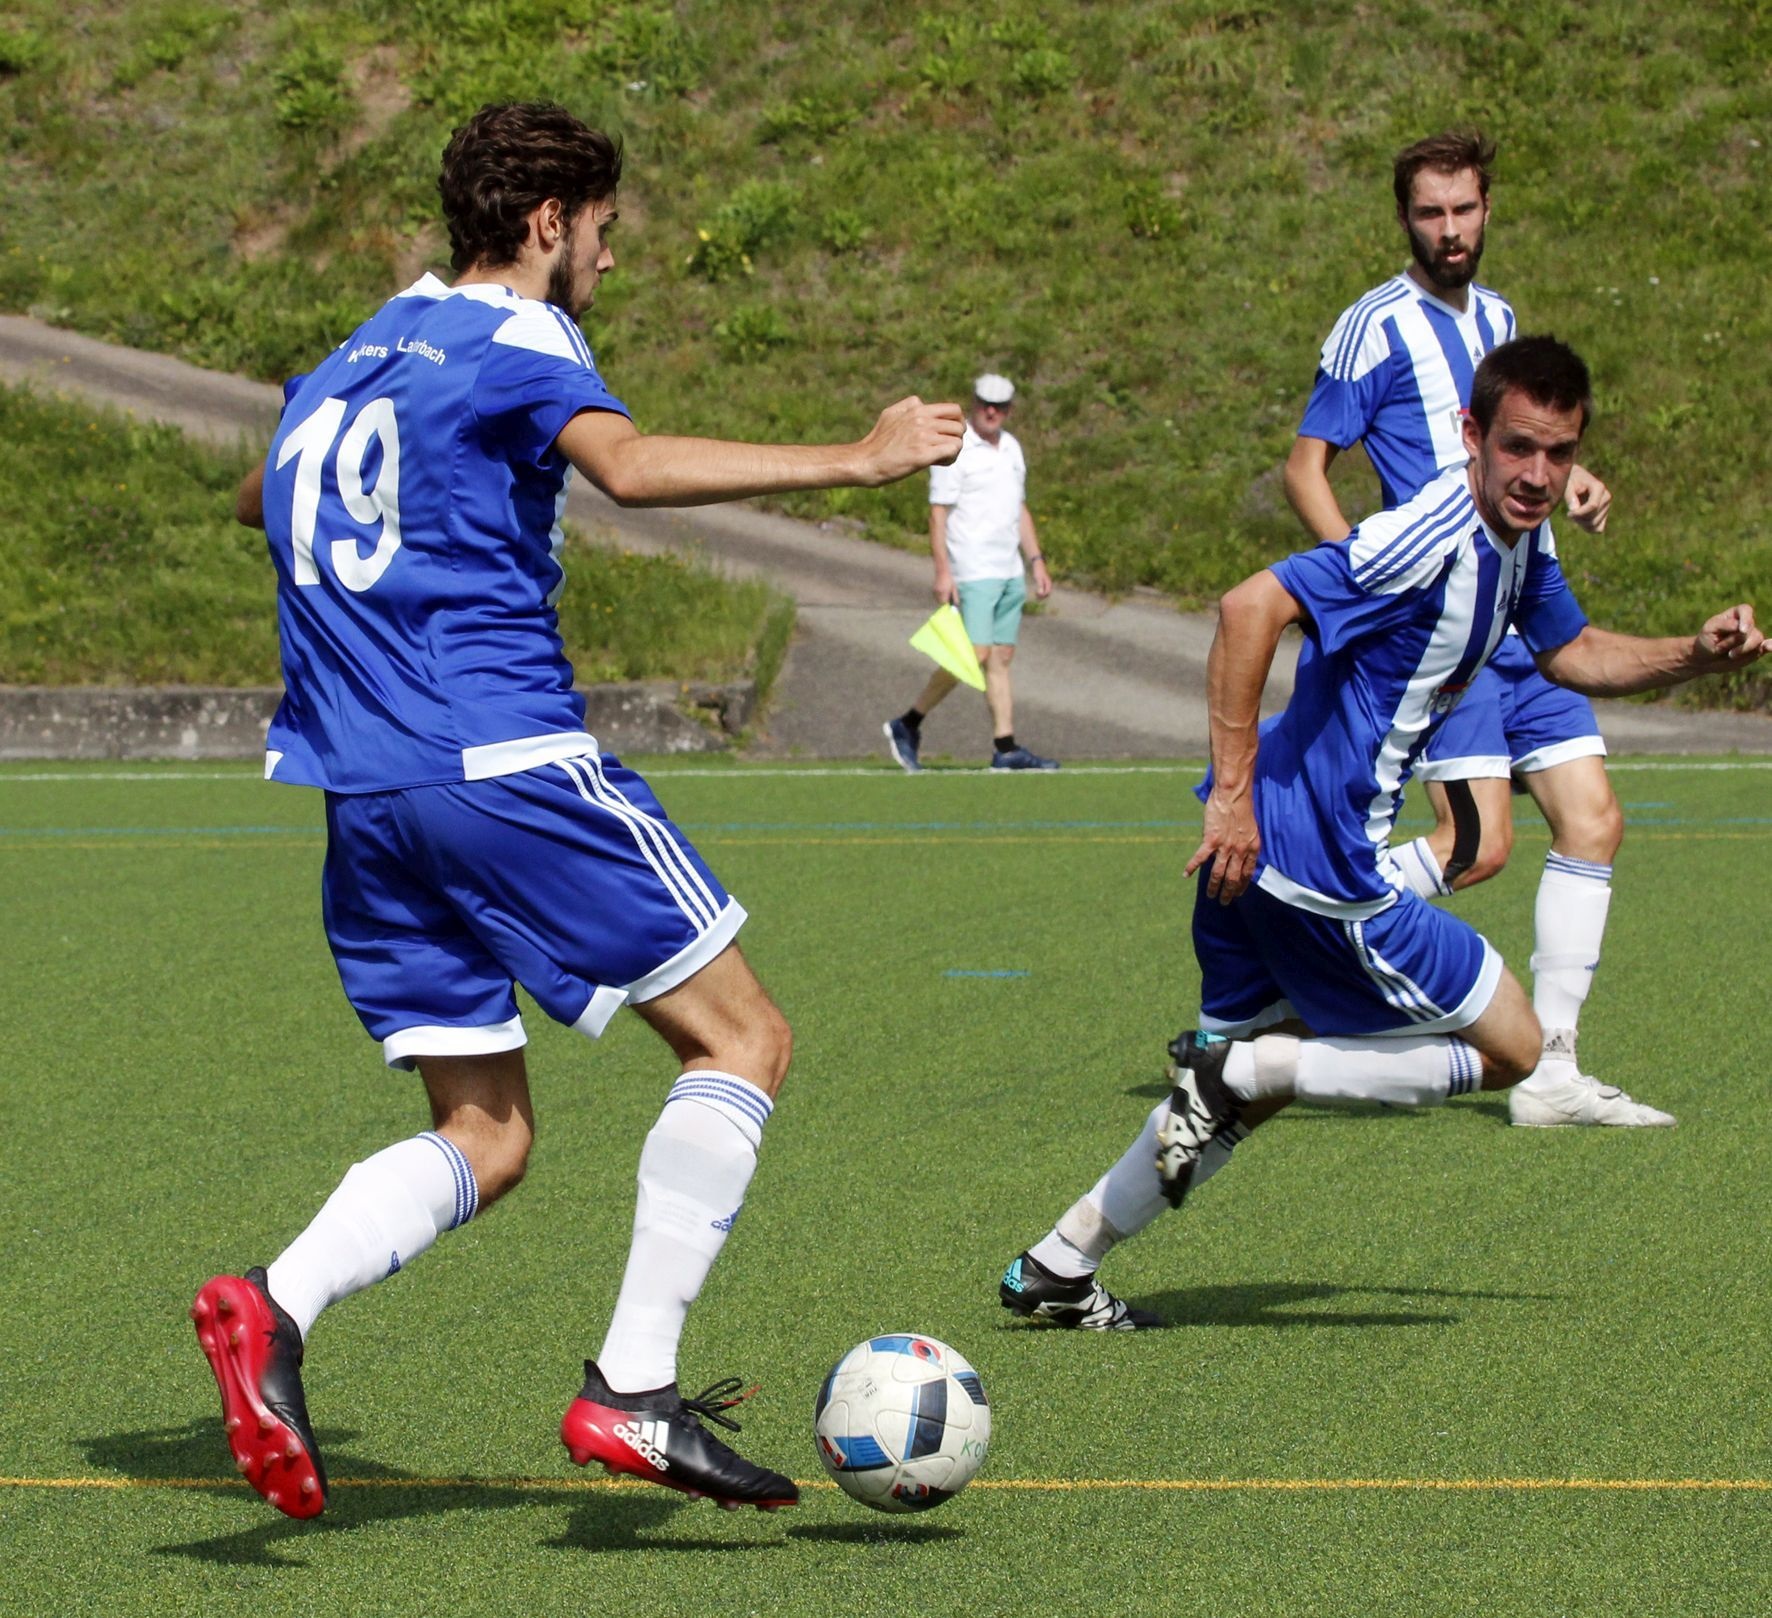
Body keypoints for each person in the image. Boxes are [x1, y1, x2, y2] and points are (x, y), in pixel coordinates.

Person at [190, 101, 963, 1518]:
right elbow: (630, 464)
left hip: (359, 797)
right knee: (744, 1035)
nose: (610, 259)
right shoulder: (525, 335)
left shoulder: (356, 353)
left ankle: (273, 1304)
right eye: (605, 231)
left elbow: (261, 493)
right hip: (503, 767)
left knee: (488, 1129)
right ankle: (634, 1387)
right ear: (548, 224)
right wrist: (857, 462)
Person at [999, 337, 1763, 1330]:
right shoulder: (1430, 535)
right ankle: (1257, 1063)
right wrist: (1227, 793)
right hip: (1315, 866)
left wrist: (1690, 657)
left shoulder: (1518, 540)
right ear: (1470, 436)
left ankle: (1060, 1264)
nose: (1537, 474)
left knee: (1228, 1102)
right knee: (1512, 1049)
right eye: (1518, 447)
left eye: (1559, 452)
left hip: (1256, 863)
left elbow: (1570, 651)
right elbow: (1247, 608)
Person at [1281, 131, 1663, 1128]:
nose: (1448, 230)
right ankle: (1299, 943)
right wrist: (1363, 594)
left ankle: (1552, 1073)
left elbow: (1514, 437)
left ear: (1486, 210)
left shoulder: (1496, 318)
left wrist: (1567, 477)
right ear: (1402, 218)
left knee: (1593, 821)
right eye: (1428, 213)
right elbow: (1303, 468)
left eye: (1462, 210)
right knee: (1476, 846)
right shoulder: (1371, 326)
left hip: (1524, 600)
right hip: (1444, 624)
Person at [882, 373, 1057, 771]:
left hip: (1009, 569)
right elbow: (937, 514)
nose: (991, 412)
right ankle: (908, 723)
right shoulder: (956, 450)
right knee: (973, 654)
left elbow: (1019, 508)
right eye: (984, 404)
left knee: (1000, 657)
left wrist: (1036, 561)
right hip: (973, 569)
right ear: (974, 403)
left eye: (1000, 406)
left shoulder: (1011, 448)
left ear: (1009, 409)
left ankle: (1005, 747)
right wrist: (943, 572)